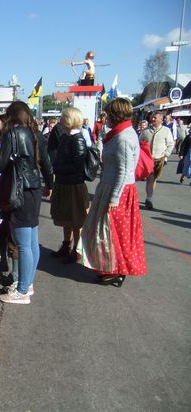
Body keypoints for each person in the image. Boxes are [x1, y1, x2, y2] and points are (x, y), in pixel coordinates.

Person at [78, 98, 147, 286]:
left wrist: (114, 197)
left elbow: (124, 171)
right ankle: (111, 268)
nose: (105, 117)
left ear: (116, 115)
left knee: (111, 234)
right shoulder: (121, 133)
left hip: (118, 190)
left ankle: (116, 270)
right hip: (111, 186)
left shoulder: (124, 137)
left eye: (108, 114)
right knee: (108, 232)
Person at [0, 101, 53, 304]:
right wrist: (50, 183)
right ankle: (27, 283)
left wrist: (3, 157)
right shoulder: (36, 133)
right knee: (31, 240)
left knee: (23, 243)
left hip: (20, 189)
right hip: (34, 187)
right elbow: (45, 161)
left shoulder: (13, 133)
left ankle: (22, 290)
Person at [50, 107, 89, 264]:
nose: (60, 119)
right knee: (66, 218)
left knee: (76, 220)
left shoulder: (77, 139)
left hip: (73, 185)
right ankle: (66, 246)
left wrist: (58, 168)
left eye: (63, 117)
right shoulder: (66, 137)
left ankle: (76, 251)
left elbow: (78, 165)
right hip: (63, 182)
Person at [140, 111, 174, 210]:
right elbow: (139, 143)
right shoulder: (146, 131)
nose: (153, 119)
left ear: (161, 119)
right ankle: (149, 199)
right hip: (148, 159)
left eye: (155, 118)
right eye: (152, 117)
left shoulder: (166, 131)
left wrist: (166, 154)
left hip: (159, 159)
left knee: (154, 178)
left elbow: (171, 144)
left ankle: (149, 197)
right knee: (150, 178)